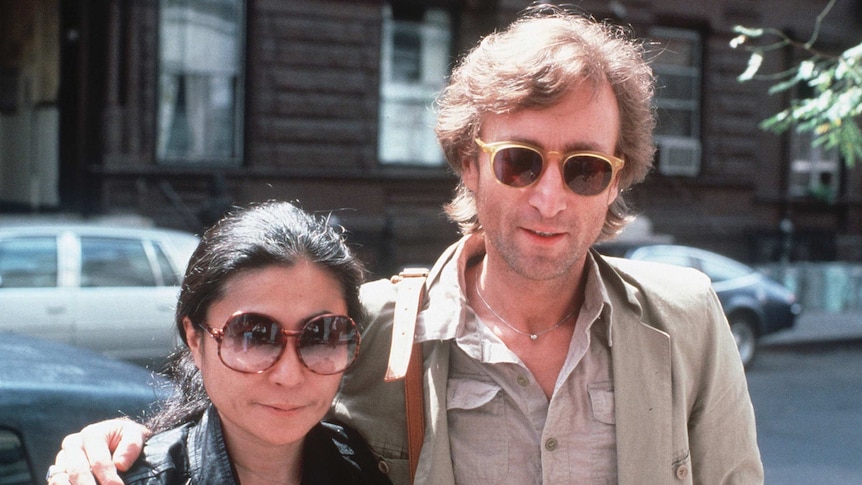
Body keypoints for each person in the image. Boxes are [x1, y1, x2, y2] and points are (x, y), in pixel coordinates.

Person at [48, 5, 763, 485]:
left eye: (584, 168)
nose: (551, 198)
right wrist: (124, 443)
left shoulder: (688, 319)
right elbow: (259, 404)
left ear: (615, 181)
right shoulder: (371, 327)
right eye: (520, 160)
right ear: (469, 162)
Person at [47, 201, 392, 485]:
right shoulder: (132, 479)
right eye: (254, 336)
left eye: (321, 336)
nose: (289, 375)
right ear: (195, 340)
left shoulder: (362, 469)